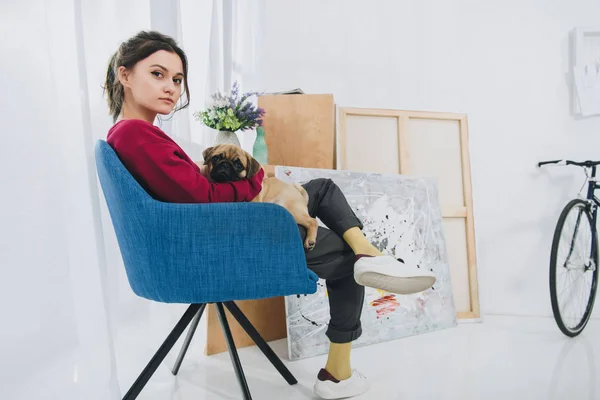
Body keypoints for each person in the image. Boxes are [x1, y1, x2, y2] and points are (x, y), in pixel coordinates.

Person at [104, 31, 435, 400]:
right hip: (229, 242)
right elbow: (207, 195)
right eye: (158, 74)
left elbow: (192, 187)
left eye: (177, 79)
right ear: (125, 75)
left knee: (322, 188)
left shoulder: (137, 135)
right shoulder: (136, 136)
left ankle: (368, 252)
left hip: (214, 237)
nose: (171, 87)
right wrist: (257, 176)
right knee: (345, 259)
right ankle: (338, 372)